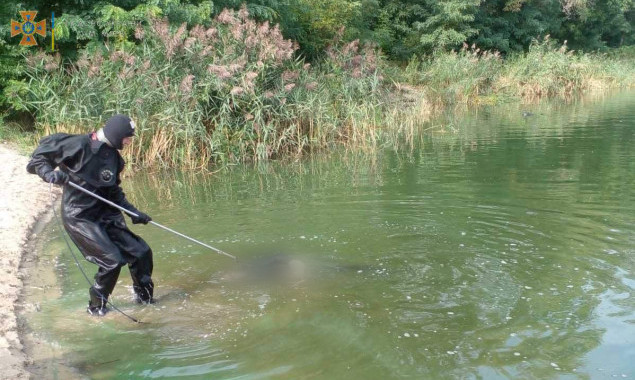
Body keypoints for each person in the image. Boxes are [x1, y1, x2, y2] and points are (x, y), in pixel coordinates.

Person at [26, 114, 155, 316]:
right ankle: (95, 309)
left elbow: (113, 193)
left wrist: (133, 212)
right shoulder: (77, 145)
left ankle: (145, 300)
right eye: (128, 137)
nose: (130, 141)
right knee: (112, 261)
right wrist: (50, 174)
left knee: (141, 252)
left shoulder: (114, 158)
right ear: (116, 134)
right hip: (80, 216)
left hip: (105, 214)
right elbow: (38, 159)